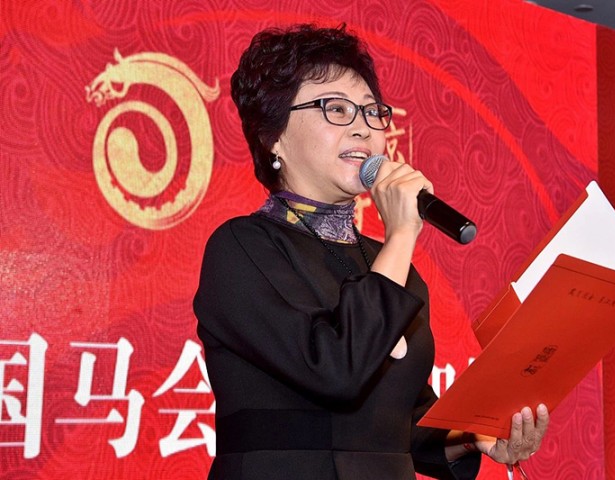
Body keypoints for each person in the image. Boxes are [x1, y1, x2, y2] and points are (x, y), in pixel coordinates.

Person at [193, 23, 549, 480]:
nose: (363, 127)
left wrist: (472, 436)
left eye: (372, 112)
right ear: (272, 135)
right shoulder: (242, 248)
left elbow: (400, 422)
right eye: (337, 109)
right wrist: (401, 235)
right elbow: (335, 369)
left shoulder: (389, 263)